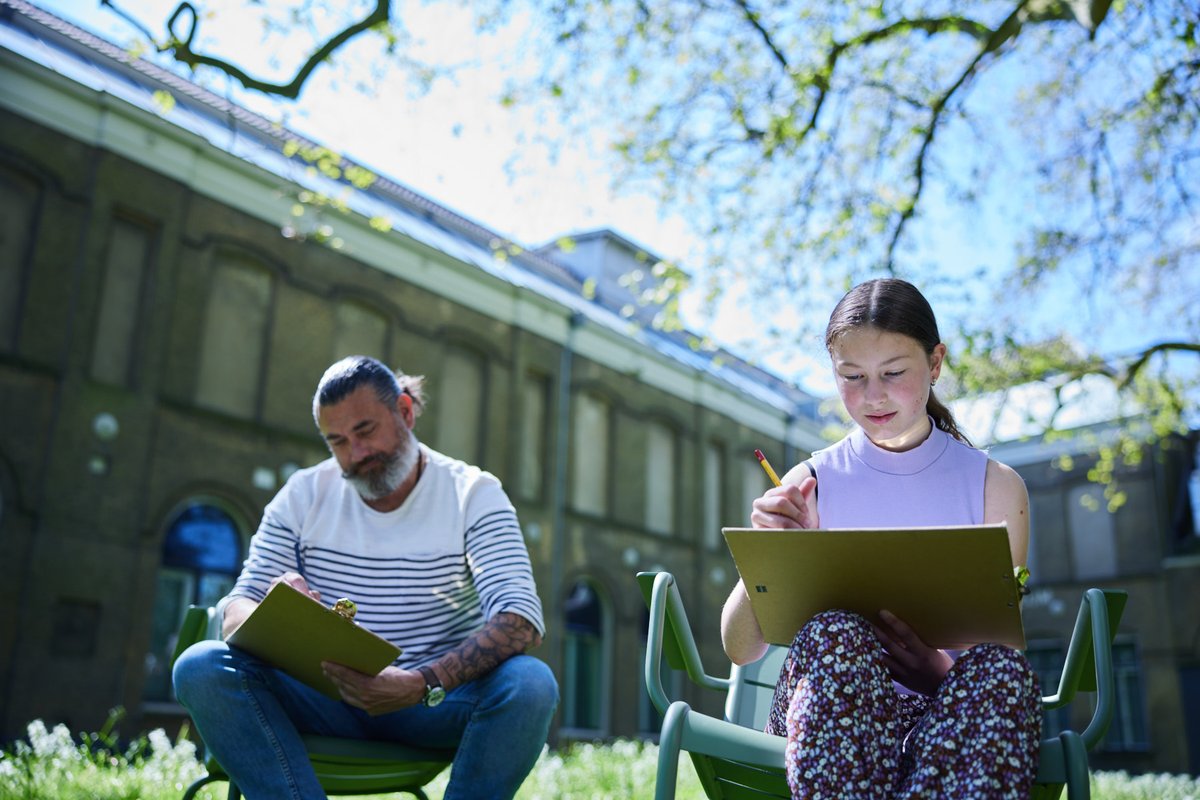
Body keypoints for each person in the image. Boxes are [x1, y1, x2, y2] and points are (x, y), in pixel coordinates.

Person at [173, 355, 558, 800]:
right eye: (336, 441)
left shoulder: (473, 493)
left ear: (406, 413)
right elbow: (236, 611)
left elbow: (520, 619)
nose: (354, 455)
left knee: (530, 684)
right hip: (321, 700)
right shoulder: (303, 494)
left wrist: (420, 684)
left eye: (365, 431)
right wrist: (273, 607)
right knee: (200, 666)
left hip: (431, 705)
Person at [720, 278, 1041, 799]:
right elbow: (739, 648)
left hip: (947, 722)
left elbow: (995, 654)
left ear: (935, 364)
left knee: (1003, 668)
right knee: (835, 633)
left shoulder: (997, 487)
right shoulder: (811, 480)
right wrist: (773, 552)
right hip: (828, 721)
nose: (872, 397)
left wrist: (936, 670)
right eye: (852, 376)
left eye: (893, 373)